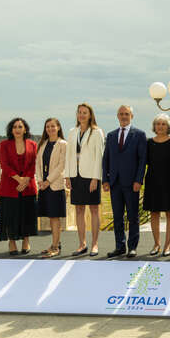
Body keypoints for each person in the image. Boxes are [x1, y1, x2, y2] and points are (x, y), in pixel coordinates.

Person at [102, 105, 147, 258]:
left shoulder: (139, 135)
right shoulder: (111, 135)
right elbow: (105, 159)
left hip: (132, 183)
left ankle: (132, 247)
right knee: (117, 216)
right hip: (114, 183)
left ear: (131, 116)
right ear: (117, 116)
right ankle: (119, 246)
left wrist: (138, 180)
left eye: (126, 114)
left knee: (133, 216)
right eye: (121, 114)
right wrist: (105, 180)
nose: (123, 116)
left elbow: (142, 160)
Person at [65, 103, 105, 257]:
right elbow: (69, 155)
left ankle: (95, 244)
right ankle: (82, 244)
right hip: (75, 176)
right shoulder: (72, 132)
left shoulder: (96, 132)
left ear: (90, 115)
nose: (81, 115)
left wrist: (96, 178)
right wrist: (67, 175)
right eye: (79, 112)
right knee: (79, 210)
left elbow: (99, 157)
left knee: (94, 209)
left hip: (90, 176)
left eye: (84, 113)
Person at [0, 117, 38, 255]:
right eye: (14, 127)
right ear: (11, 130)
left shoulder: (33, 144)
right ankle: (12, 242)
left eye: (20, 126)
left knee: (27, 214)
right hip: (9, 187)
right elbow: (4, 165)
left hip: (28, 186)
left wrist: (25, 180)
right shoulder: (4, 144)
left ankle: (26, 241)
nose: (17, 129)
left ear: (25, 129)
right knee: (10, 215)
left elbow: (34, 164)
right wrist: (19, 179)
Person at [143, 114, 170, 257]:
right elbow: (145, 162)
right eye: (158, 124)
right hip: (152, 181)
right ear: (154, 126)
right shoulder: (149, 143)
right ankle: (157, 244)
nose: (160, 126)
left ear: (168, 126)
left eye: (163, 124)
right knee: (154, 213)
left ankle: (167, 245)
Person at [36, 118, 67, 258]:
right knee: (50, 216)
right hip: (44, 186)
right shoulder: (42, 144)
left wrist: (48, 181)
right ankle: (55, 243)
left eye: (53, 126)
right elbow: (38, 163)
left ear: (58, 127)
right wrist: (40, 181)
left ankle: (55, 247)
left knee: (55, 217)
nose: (50, 129)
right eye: (47, 127)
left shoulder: (63, 144)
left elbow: (61, 165)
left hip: (55, 185)